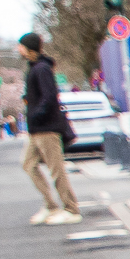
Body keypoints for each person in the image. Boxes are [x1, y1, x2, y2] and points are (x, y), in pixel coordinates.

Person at [17, 32, 83, 223]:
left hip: (47, 127)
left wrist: (37, 112)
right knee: (28, 164)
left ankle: (71, 209)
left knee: (56, 170)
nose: (18, 49)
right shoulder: (33, 68)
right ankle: (51, 206)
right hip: (36, 129)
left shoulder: (42, 69)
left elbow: (49, 96)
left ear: (29, 48)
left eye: (21, 46)